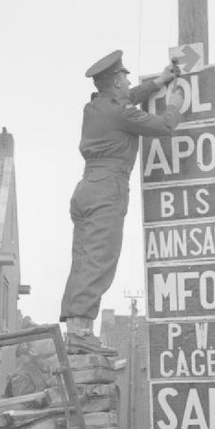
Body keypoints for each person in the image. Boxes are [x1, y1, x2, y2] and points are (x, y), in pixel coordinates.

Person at [60, 49, 184, 356]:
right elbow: (163, 127)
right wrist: (176, 102)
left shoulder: (97, 107)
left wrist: (158, 82)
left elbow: (127, 101)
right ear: (117, 81)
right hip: (108, 188)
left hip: (87, 187)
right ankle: (80, 333)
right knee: (100, 261)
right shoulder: (119, 112)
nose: (129, 83)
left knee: (83, 260)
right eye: (125, 78)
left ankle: (76, 330)